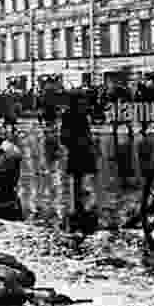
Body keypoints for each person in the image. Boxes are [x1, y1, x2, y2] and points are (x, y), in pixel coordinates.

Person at [60, 94, 98, 233]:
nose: (83, 104)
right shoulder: (71, 115)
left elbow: (85, 131)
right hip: (77, 147)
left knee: (80, 173)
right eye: (80, 102)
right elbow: (65, 133)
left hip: (81, 147)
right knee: (77, 174)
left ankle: (79, 197)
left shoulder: (79, 113)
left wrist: (89, 142)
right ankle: (78, 200)